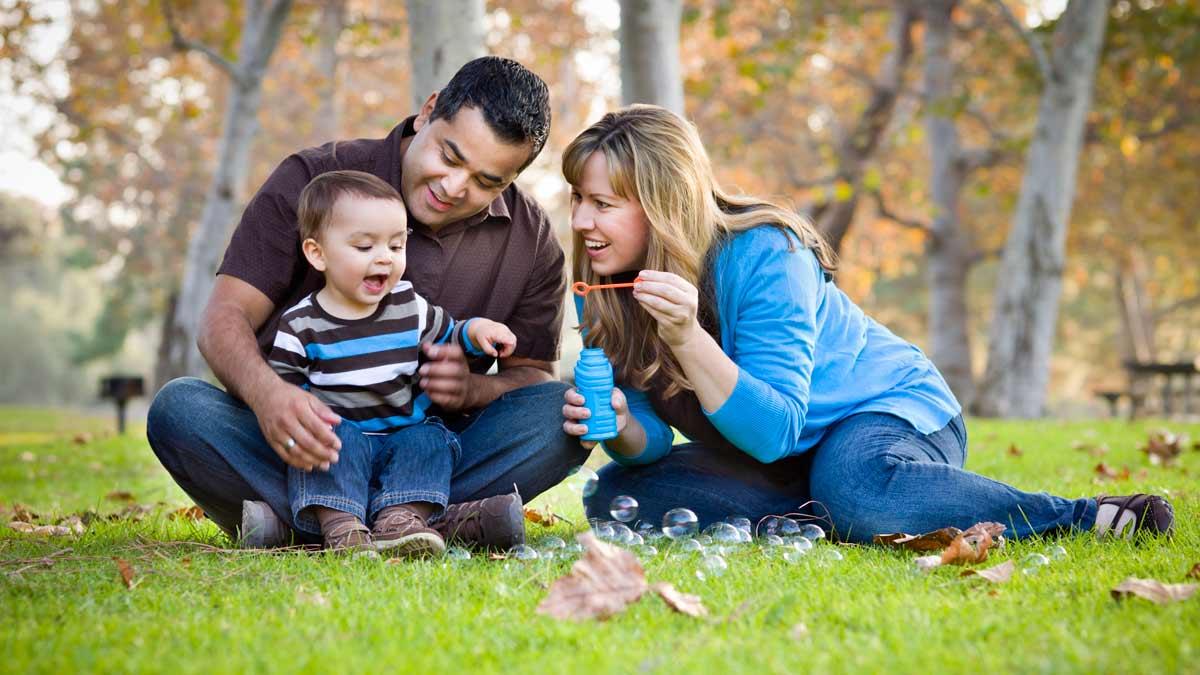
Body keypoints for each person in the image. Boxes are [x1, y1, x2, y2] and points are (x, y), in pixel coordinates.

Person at [559, 105, 1174, 543]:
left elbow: (775, 429)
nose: (584, 221)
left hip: (885, 414)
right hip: (786, 462)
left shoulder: (765, 253)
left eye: (604, 204)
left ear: (666, 203)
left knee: (852, 485)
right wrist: (620, 426)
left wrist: (687, 337)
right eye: (577, 199)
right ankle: (828, 514)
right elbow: (649, 437)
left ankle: (1077, 516)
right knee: (615, 493)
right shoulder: (605, 288)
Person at [148, 56, 587, 550]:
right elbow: (223, 318)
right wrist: (270, 397)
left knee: (563, 413)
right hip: (307, 444)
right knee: (180, 410)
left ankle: (316, 525)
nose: (454, 187)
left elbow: (532, 375)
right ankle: (435, 524)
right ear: (428, 111)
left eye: (488, 182)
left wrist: (471, 391)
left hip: (427, 448)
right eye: (450, 156)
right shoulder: (313, 178)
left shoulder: (530, 238)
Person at [269, 170, 518, 555]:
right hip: (340, 441)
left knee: (430, 437)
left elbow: (450, 333)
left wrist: (477, 332)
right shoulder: (300, 325)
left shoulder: (408, 306)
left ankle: (400, 519)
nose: (385, 258)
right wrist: (300, 428)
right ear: (317, 253)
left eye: (397, 246)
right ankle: (342, 526)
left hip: (401, 437)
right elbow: (284, 395)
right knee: (328, 440)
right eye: (366, 247)